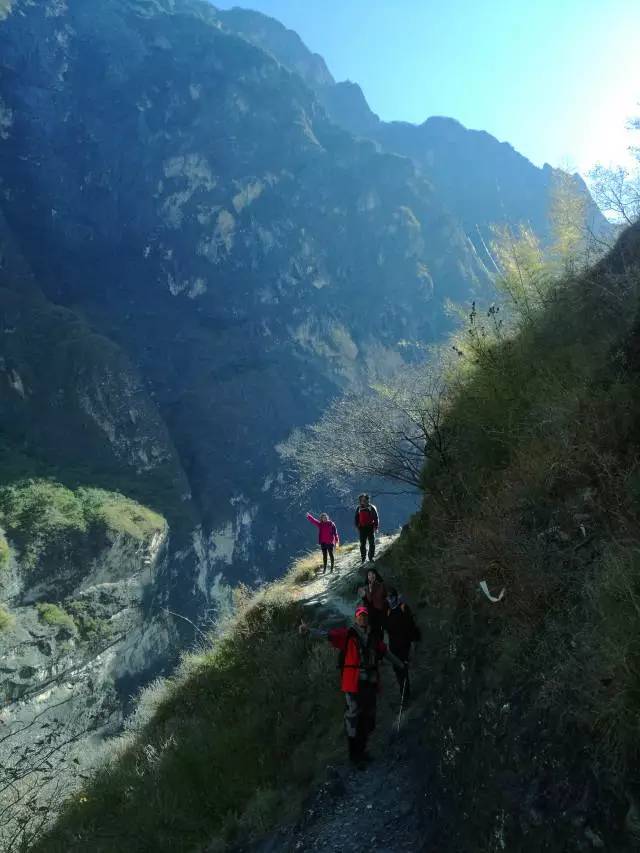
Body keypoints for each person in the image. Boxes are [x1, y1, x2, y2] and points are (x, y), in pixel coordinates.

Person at [299, 605, 405, 768]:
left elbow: (386, 653)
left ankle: (361, 751)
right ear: (356, 618)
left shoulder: (374, 638)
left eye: (364, 615)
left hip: (369, 683)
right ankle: (356, 756)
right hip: (353, 684)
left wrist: (400, 665)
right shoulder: (347, 634)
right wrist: (308, 630)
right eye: (360, 616)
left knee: (369, 720)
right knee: (354, 718)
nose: (362, 618)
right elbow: (327, 634)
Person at [385, 587, 420, 708]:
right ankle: (404, 695)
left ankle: (406, 698)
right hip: (394, 647)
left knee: (403, 670)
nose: (390, 599)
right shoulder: (388, 612)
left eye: (392, 597)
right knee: (398, 672)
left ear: (396, 597)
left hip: (404, 646)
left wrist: (413, 644)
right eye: (388, 597)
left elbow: (411, 626)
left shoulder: (403, 608)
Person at [359, 568, 387, 642]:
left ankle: (380, 646)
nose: (372, 576)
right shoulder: (365, 588)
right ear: (367, 577)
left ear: (376, 575)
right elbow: (365, 604)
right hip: (370, 615)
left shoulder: (381, 585)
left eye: (373, 574)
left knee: (380, 634)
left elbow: (384, 598)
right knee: (371, 635)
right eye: (369, 574)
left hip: (380, 613)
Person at [354, 493, 379, 564]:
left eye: (364, 500)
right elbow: (356, 518)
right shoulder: (358, 508)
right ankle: (363, 559)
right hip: (362, 528)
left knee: (372, 543)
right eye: (361, 500)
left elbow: (376, 518)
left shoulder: (372, 507)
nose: (363, 501)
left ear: (368, 500)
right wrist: (358, 526)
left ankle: (371, 557)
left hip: (370, 527)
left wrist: (376, 527)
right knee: (362, 544)